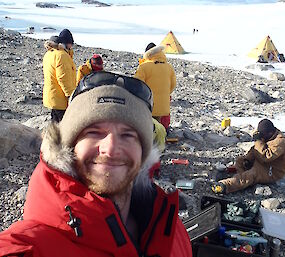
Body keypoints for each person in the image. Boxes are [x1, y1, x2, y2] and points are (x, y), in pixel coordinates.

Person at [0, 71, 192, 257]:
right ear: (68, 147)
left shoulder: (171, 230)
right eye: (94, 133)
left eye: (127, 135)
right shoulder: (31, 247)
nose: (110, 149)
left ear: (144, 153)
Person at [212, 119, 285, 194]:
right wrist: (247, 159)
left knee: (252, 174)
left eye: (263, 135)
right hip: (261, 163)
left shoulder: (280, 142)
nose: (262, 136)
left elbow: (266, 157)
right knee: (240, 161)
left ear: (270, 133)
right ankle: (243, 179)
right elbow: (255, 149)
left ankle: (225, 186)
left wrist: (258, 141)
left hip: (272, 171)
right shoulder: (268, 135)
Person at [134, 42, 176, 132]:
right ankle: (162, 131)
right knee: (160, 126)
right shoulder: (169, 67)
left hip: (149, 108)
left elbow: (136, 85)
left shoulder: (144, 67)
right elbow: (173, 86)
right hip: (164, 108)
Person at [42, 28, 76, 122]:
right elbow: (63, 78)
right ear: (66, 42)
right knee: (64, 127)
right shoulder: (62, 56)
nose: (72, 45)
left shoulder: (49, 53)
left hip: (52, 96)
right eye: (71, 43)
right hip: (60, 99)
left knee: (55, 125)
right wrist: (70, 95)